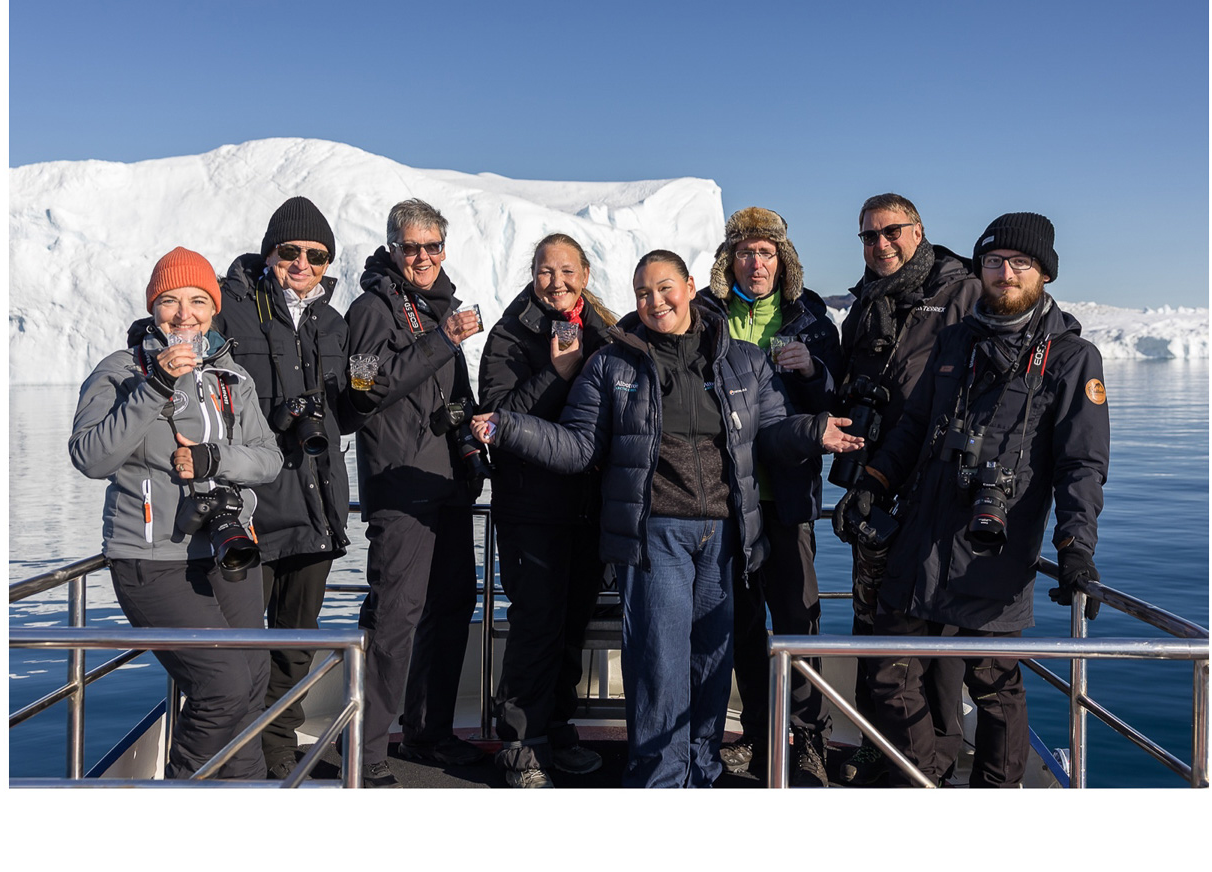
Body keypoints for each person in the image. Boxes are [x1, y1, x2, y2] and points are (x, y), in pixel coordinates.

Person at [472, 250, 863, 788]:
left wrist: (812, 431)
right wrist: (512, 427)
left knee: (709, 659)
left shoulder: (742, 360)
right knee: (658, 662)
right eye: (641, 293)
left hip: (723, 534)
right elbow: (582, 445)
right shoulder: (613, 364)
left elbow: (770, 431)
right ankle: (658, 776)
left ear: (690, 286)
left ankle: (699, 768)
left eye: (664, 288)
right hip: (656, 534)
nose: (654, 302)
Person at [849, 212, 1110, 787]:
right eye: (994, 262)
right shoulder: (955, 340)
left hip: (996, 547)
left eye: (1020, 263)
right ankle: (919, 782)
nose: (1005, 273)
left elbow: (1081, 466)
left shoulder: (1071, 359)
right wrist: (872, 483)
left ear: (1044, 272)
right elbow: (913, 429)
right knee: (890, 670)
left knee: (993, 684)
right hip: (921, 538)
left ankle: (995, 794)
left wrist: (1075, 548)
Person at [69, 246, 282, 780]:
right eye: (169, 301)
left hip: (227, 550)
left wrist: (214, 458)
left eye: (196, 300)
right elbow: (90, 456)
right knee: (222, 685)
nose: (184, 314)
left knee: (252, 681)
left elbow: (270, 458)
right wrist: (157, 385)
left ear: (213, 307)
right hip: (151, 558)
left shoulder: (231, 376)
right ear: (152, 307)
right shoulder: (119, 373)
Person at [830, 192, 981, 786]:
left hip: (936, 495)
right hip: (875, 491)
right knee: (872, 627)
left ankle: (936, 766)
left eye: (891, 232)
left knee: (931, 639)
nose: (880, 244)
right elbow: (848, 384)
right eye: (868, 236)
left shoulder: (959, 293)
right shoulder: (866, 303)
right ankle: (879, 752)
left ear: (918, 231)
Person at [215, 195, 362, 779]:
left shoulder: (334, 321)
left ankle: (277, 751)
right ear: (269, 251)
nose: (304, 264)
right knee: (245, 647)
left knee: (296, 644)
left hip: (316, 505)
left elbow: (342, 416)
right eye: (291, 252)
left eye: (317, 255)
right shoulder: (230, 310)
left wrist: (360, 400)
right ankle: (243, 757)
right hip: (254, 505)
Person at [343, 198, 488, 789]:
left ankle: (430, 733)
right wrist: (443, 341)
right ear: (393, 249)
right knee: (396, 616)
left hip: (446, 485)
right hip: (403, 489)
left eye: (433, 247)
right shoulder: (371, 308)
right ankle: (368, 748)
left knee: (452, 607)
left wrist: (475, 434)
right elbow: (364, 389)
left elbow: (450, 395)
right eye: (412, 247)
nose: (423, 257)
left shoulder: (439, 308)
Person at [695, 207, 841, 786]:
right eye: (747, 252)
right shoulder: (705, 315)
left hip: (786, 494)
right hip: (722, 492)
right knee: (740, 620)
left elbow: (842, 388)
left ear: (784, 262)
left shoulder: (810, 318)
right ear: (729, 260)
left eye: (767, 253)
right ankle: (759, 733)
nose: (756, 263)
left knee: (798, 616)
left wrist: (814, 373)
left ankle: (805, 736)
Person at [477, 233, 617, 788]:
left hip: (589, 508)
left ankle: (556, 731)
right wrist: (556, 373)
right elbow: (497, 419)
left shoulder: (607, 332)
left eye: (566, 271)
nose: (555, 283)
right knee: (535, 627)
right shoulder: (511, 334)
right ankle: (520, 747)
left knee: (570, 628)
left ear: (584, 273)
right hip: (532, 508)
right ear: (532, 276)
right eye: (544, 272)